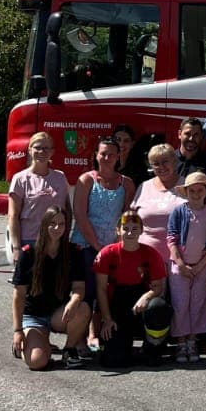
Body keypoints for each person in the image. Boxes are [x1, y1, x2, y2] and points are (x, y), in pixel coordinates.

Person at [69, 136, 134, 347]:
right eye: (102, 153)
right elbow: (80, 214)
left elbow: (126, 216)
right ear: (96, 155)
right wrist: (96, 245)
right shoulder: (86, 180)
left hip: (113, 247)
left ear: (118, 157)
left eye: (111, 154)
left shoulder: (127, 183)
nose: (106, 158)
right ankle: (79, 339)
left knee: (105, 292)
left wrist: (115, 245)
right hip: (85, 245)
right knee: (85, 293)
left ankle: (95, 334)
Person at [10, 207, 90, 371]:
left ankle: (69, 350)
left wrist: (74, 300)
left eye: (61, 224)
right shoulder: (29, 253)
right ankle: (35, 344)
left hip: (58, 313)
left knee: (82, 307)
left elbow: (79, 287)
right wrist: (17, 330)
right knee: (37, 362)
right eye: (52, 223)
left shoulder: (74, 252)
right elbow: (19, 295)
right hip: (33, 316)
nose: (57, 228)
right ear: (44, 225)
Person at [94, 210, 169, 367]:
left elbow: (158, 288)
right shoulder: (107, 253)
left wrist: (146, 297)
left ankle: (152, 346)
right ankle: (124, 347)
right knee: (113, 361)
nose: (130, 233)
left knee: (158, 307)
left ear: (141, 231)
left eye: (134, 229)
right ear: (118, 230)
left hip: (140, 305)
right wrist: (107, 320)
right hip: (117, 306)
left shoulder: (150, 254)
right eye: (125, 228)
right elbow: (101, 289)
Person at [166, 172, 206, 362]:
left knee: (198, 304)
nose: (196, 194)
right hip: (180, 265)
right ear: (186, 192)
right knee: (181, 304)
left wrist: (200, 266)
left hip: (202, 266)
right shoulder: (179, 212)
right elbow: (171, 239)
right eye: (192, 190)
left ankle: (192, 340)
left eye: (200, 190)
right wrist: (180, 264)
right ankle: (181, 342)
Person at [7, 132, 70, 253]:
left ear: (52, 152)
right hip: (30, 240)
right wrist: (16, 247)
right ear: (30, 150)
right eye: (37, 148)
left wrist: (65, 236)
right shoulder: (20, 179)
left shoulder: (60, 177)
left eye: (46, 148)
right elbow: (13, 216)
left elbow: (67, 211)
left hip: (55, 241)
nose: (41, 152)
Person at [131, 144, 185, 264]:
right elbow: (131, 219)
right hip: (146, 258)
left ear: (174, 161)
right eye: (156, 163)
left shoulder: (187, 186)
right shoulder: (144, 186)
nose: (161, 167)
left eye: (165, 162)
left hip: (180, 260)